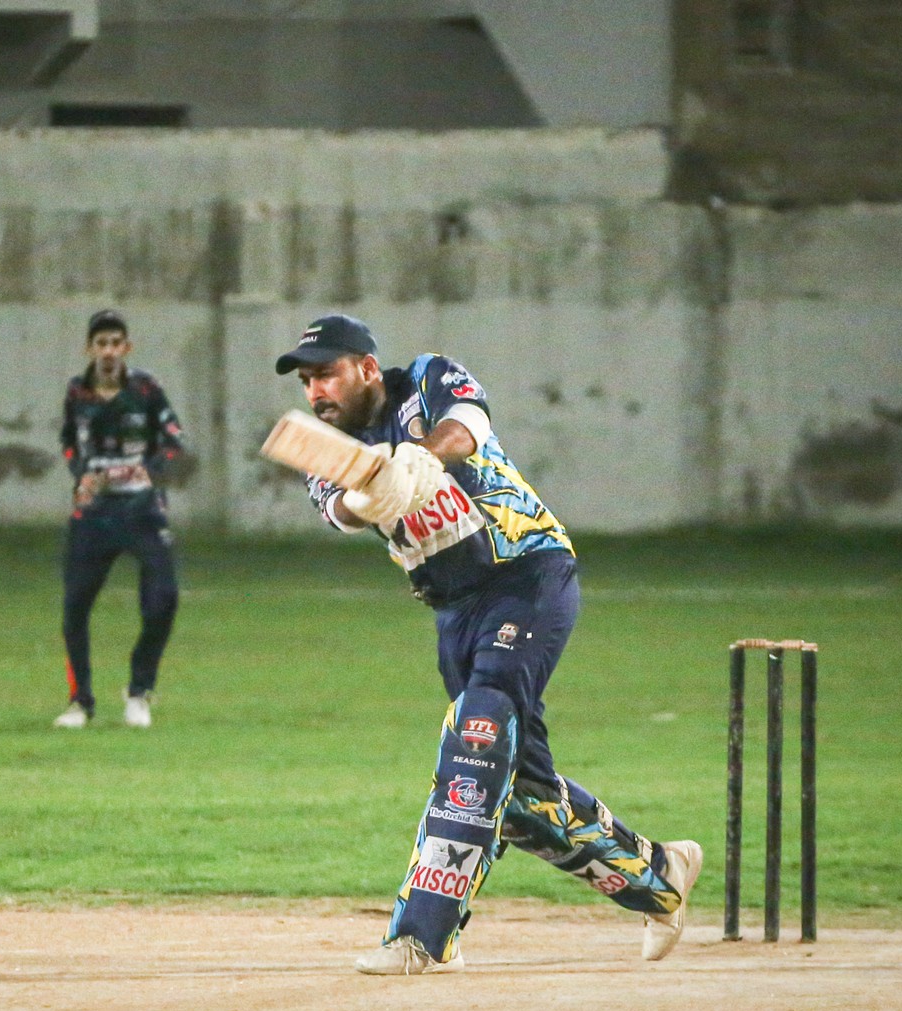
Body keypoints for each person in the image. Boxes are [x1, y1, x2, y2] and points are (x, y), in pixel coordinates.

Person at [273, 313, 703, 974]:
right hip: (454, 610)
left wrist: (421, 457)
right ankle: (659, 876)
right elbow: (341, 511)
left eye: (326, 373)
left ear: (366, 366)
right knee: (519, 791)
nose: (315, 392)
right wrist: (375, 490)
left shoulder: (425, 378)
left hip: (527, 575)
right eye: (306, 381)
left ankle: (424, 934)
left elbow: (467, 424)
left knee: (477, 734)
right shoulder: (329, 446)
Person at [52, 309, 184, 730]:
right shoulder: (77, 392)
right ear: (89, 349)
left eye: (115, 343)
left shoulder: (145, 389)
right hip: (93, 514)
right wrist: (81, 475)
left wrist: (150, 469)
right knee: (75, 608)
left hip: (142, 508)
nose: (108, 352)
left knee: (163, 599)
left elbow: (174, 437)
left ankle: (139, 689)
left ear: (127, 348)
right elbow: (68, 441)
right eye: (101, 344)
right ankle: (80, 702)